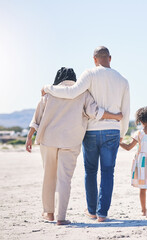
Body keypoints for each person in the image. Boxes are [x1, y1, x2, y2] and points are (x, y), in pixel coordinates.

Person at [42, 46, 130, 222]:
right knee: (107, 172)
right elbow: (125, 111)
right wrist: (122, 132)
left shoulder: (89, 74)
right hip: (112, 130)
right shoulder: (123, 80)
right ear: (110, 58)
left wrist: (48, 88)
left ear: (94, 59)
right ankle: (102, 214)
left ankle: (91, 211)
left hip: (91, 130)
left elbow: (72, 92)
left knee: (90, 171)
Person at [26, 67, 122, 225]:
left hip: (48, 140)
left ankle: (49, 213)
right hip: (71, 142)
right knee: (65, 180)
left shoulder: (49, 93)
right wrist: (116, 116)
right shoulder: (82, 93)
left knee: (49, 176)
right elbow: (95, 113)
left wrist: (29, 137)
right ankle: (61, 218)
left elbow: (36, 119)